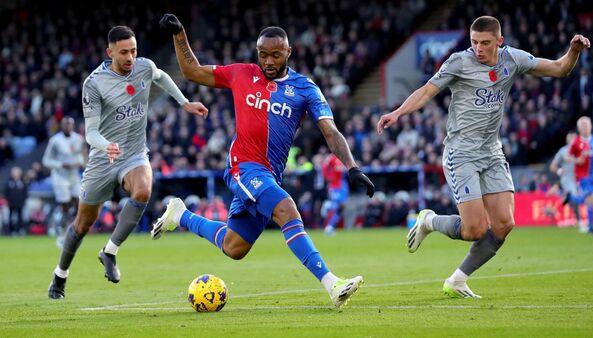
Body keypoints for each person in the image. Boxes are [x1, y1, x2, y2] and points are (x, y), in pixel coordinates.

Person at [154, 14, 375, 308]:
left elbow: (330, 131)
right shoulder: (242, 74)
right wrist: (180, 34)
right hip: (242, 166)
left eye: (275, 55)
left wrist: (353, 167)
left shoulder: (305, 88)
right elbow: (192, 71)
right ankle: (332, 284)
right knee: (286, 209)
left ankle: (180, 215)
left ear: (288, 53)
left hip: (270, 174)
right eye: (262, 55)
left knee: (235, 247)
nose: (268, 61)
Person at [377, 16, 591, 298]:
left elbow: (559, 68)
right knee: (475, 229)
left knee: (504, 224)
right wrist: (398, 112)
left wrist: (573, 51)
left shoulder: (512, 59)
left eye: (485, 43)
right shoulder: (458, 62)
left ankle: (457, 280)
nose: (478, 48)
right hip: (460, 153)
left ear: (499, 42)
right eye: (474, 42)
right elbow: (427, 90)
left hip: (491, 152)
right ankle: (429, 221)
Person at [47, 25, 208, 299]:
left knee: (144, 189)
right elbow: (91, 133)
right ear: (110, 52)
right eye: (123, 52)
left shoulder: (144, 67)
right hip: (103, 159)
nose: (130, 57)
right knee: (82, 225)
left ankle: (109, 252)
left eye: (133, 50)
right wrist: (105, 145)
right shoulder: (94, 83)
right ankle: (60, 275)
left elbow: (161, 76)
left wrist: (184, 102)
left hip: (134, 154)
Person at [42, 117, 86, 244]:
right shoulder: (55, 141)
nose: (68, 127)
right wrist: (61, 164)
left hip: (73, 176)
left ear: (73, 126)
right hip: (60, 176)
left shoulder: (78, 139)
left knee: (79, 203)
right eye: (65, 125)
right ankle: (61, 232)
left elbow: (82, 156)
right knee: (65, 205)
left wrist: (81, 162)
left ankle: (73, 230)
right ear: (61, 126)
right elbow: (46, 160)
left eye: (70, 125)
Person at [569, 116, 593, 234]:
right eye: (583, 125)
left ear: (591, 126)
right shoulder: (576, 141)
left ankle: (570, 198)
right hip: (582, 175)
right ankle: (591, 227)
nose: (586, 127)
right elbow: (569, 156)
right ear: (579, 128)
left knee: (590, 200)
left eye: (587, 124)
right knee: (591, 199)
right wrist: (577, 160)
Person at [549, 132, 582, 229]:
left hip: (579, 179)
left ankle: (556, 209)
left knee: (577, 198)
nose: (572, 139)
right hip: (567, 179)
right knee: (574, 195)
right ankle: (579, 220)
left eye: (573, 137)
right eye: (570, 137)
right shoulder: (563, 151)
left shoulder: (581, 149)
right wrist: (559, 170)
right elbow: (552, 166)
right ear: (567, 139)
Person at [321, 154, 349, 235]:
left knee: (341, 207)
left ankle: (330, 226)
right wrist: (350, 168)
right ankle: (327, 207)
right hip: (337, 185)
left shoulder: (332, 157)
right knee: (337, 206)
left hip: (340, 185)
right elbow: (338, 168)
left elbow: (325, 168)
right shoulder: (336, 157)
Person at [4, 167, 28, 235]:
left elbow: (25, 193)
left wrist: (23, 201)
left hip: (20, 203)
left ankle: (20, 230)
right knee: (11, 217)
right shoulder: (9, 182)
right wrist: (8, 200)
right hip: (11, 203)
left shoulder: (22, 182)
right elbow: (6, 192)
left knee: (20, 217)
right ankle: (11, 231)